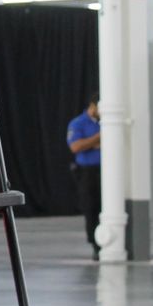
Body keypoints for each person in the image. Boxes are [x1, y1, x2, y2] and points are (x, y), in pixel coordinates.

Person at [67, 100, 102, 259]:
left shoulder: (103, 121)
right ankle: (95, 243)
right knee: (91, 207)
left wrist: (90, 143)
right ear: (93, 105)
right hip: (88, 172)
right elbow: (76, 146)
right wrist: (99, 138)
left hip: (107, 170)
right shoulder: (78, 123)